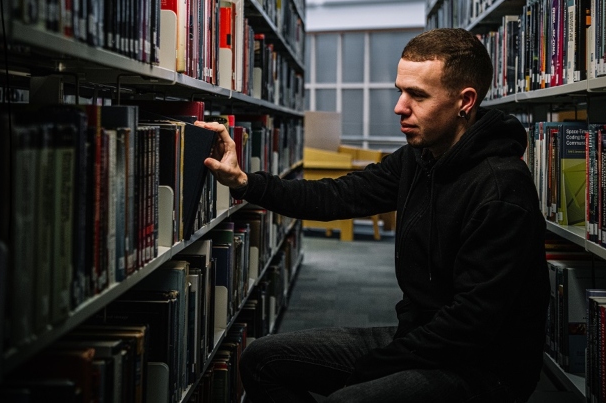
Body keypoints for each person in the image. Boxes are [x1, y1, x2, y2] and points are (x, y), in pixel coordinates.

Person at [195, 28, 550, 403]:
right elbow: (337, 196)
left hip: (482, 366)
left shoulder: (500, 192)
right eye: (400, 90)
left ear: (465, 101)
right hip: (418, 336)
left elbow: (471, 325)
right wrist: (245, 182)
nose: (399, 107)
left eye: (417, 95)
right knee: (261, 359)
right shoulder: (421, 158)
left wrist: (370, 371)